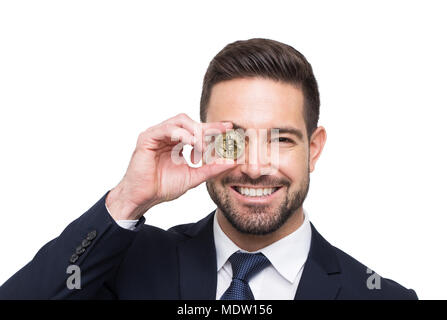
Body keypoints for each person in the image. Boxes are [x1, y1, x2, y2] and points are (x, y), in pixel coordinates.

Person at [0, 38, 418, 300]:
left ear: (314, 148)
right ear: (201, 142)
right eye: (232, 139)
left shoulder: (379, 296)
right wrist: (127, 199)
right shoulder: (128, 264)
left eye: (281, 139)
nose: (255, 167)